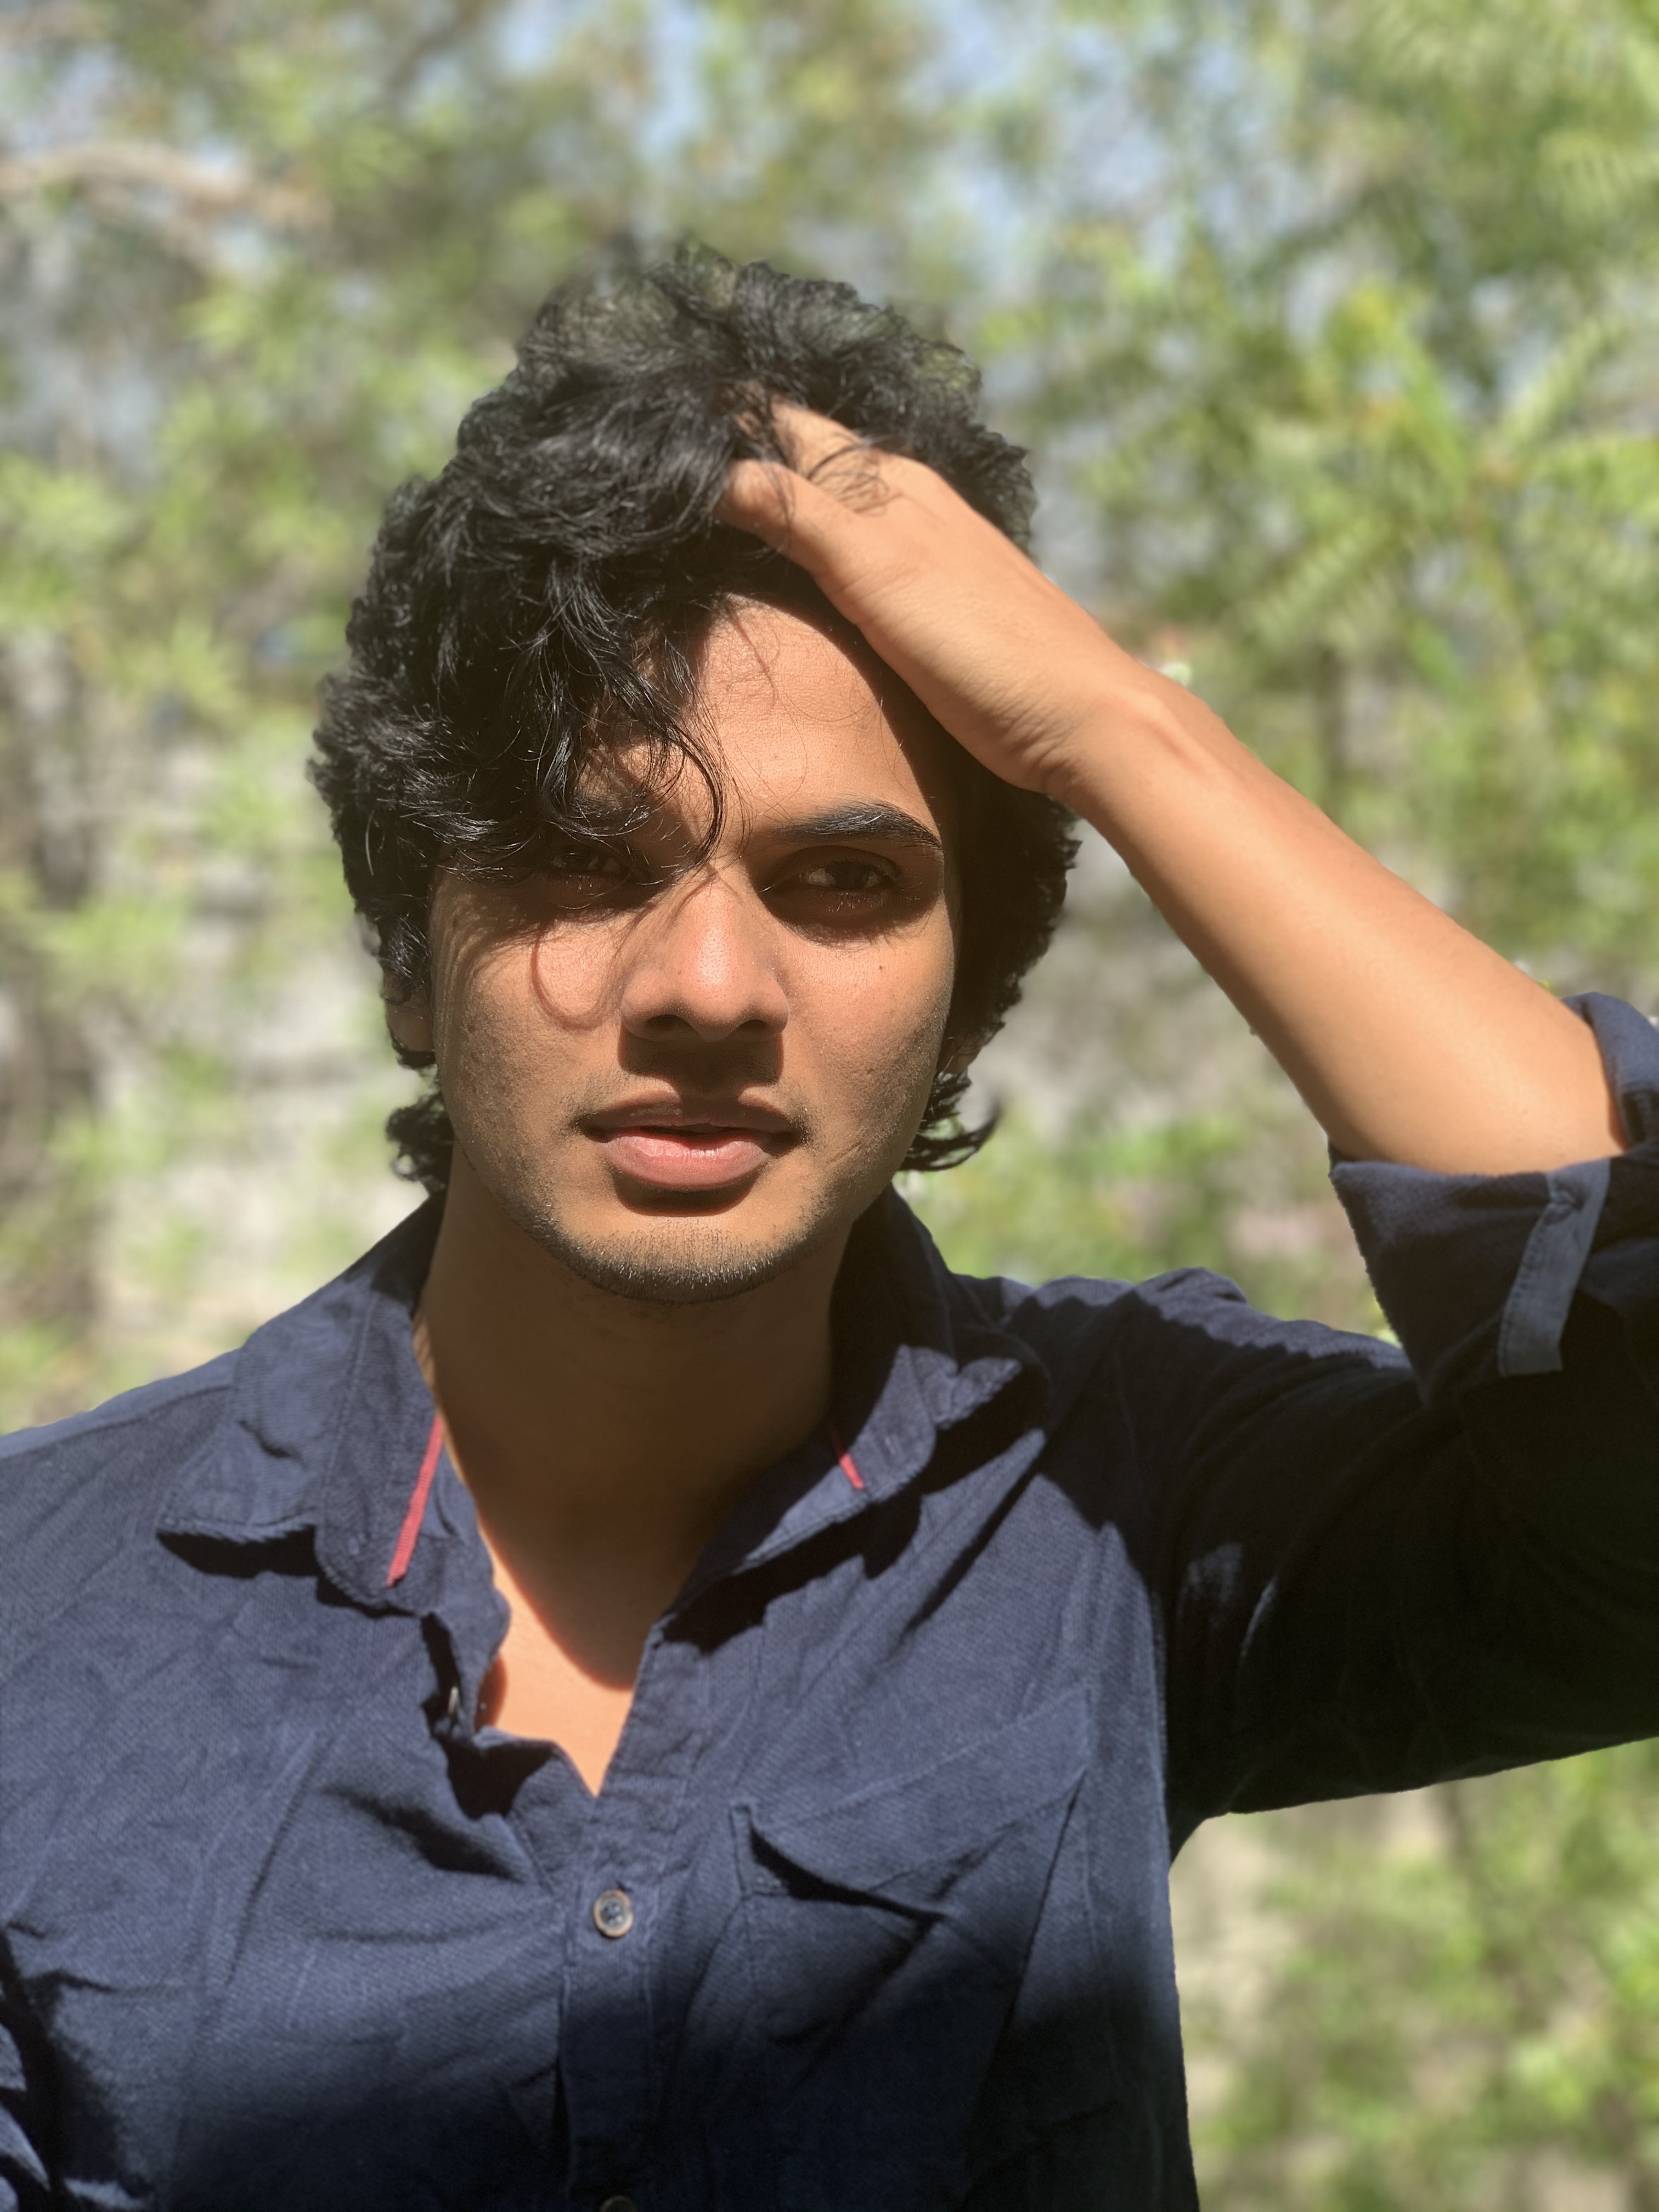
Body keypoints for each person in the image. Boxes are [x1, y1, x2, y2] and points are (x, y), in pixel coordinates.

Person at [2, 246, 1656, 2212]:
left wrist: (1121, 728)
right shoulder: (42, 1619)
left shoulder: (1121, 1496)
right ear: (409, 965)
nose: (708, 985)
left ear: (967, 1001)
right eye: (580, 859)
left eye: (845, 881)